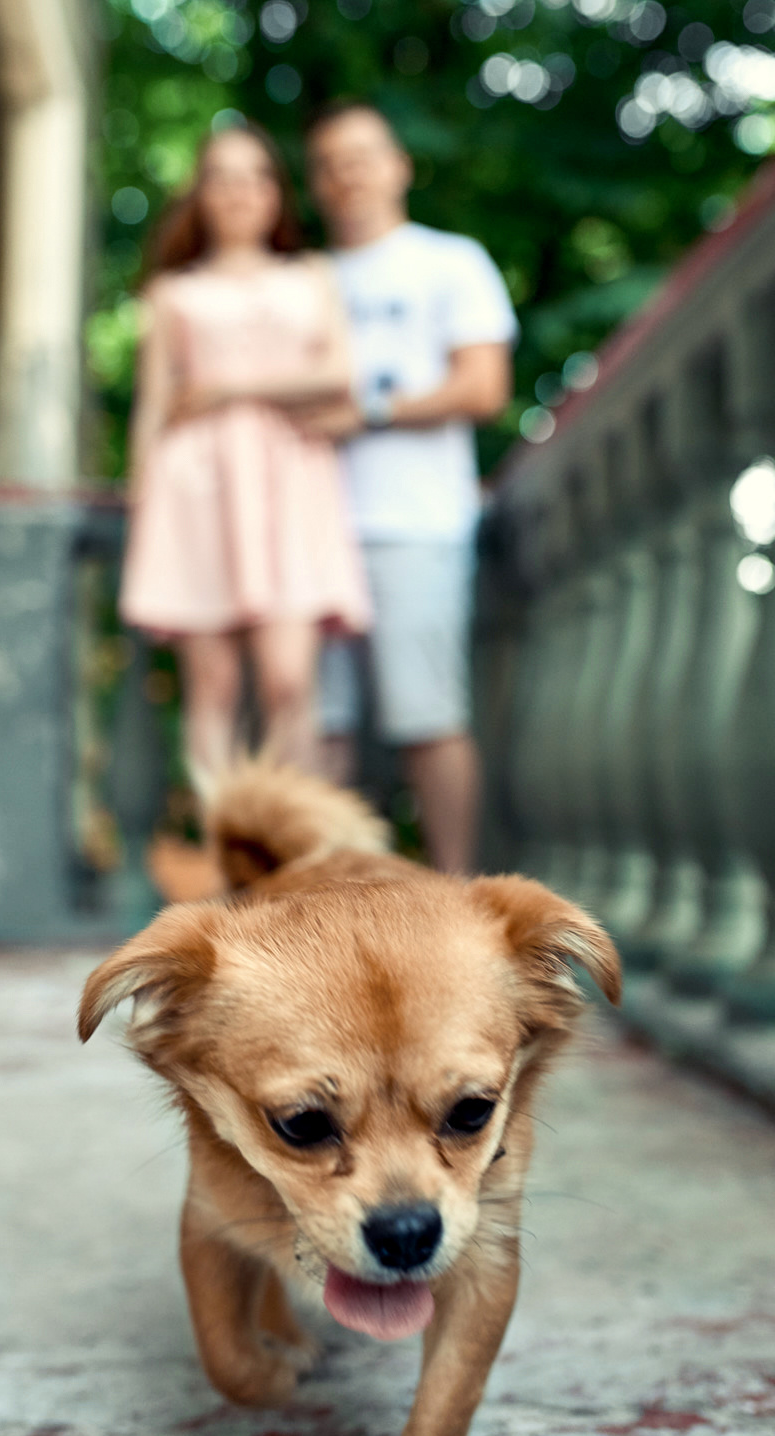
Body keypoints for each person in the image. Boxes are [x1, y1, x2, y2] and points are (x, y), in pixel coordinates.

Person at [303, 102, 517, 873]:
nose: (346, 173)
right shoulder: (306, 278)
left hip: (415, 523)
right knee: (318, 731)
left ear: (400, 166)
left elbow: (484, 386)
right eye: (328, 162)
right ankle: (313, 914)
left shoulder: (450, 263)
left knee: (428, 719)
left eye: (361, 155)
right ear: (317, 184)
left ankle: (458, 894)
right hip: (306, 532)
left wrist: (371, 410)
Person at [121, 121, 370, 778]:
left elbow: (339, 374)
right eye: (222, 178)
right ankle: (229, 858)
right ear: (201, 194)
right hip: (197, 490)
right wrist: (143, 501)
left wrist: (230, 388)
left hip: (290, 482)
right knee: (214, 686)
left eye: (255, 176)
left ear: (275, 193)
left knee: (290, 680)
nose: (239, 193)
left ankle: (289, 863)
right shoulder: (173, 291)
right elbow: (153, 407)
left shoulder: (312, 275)